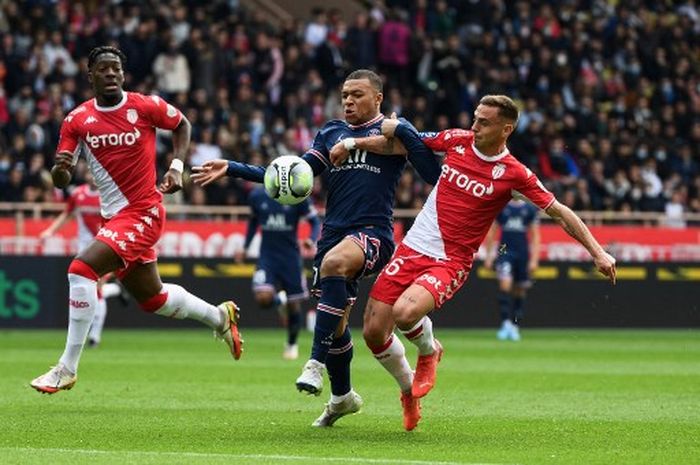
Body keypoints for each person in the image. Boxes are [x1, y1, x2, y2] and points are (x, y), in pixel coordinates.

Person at [332, 95, 616, 431]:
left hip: (450, 260)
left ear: (505, 129)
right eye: (476, 117)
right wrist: (352, 143)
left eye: (484, 122)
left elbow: (559, 212)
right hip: (412, 248)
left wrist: (598, 252)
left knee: (406, 312)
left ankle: (429, 349)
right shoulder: (456, 140)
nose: (475, 125)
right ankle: (409, 391)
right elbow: (399, 145)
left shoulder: (515, 174)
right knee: (373, 332)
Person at [192, 69, 440, 427]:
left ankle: (314, 364)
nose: (349, 101)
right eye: (344, 96)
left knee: (337, 265)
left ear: (378, 98)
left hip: (373, 233)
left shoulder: (390, 132)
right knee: (338, 328)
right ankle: (345, 397)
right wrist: (233, 168)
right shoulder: (330, 132)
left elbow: (432, 172)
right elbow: (293, 175)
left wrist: (400, 130)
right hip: (332, 236)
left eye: (357, 95)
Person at [30, 46, 243, 395]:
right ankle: (220, 317)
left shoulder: (144, 106)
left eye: (116, 68)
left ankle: (66, 368)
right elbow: (60, 177)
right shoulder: (77, 120)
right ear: (91, 76)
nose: (111, 73)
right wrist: (61, 170)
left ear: (123, 74)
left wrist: (176, 167)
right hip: (114, 217)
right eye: (103, 69)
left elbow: (182, 124)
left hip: (143, 211)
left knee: (81, 270)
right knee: (153, 299)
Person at [40, 174, 129, 347]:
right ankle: (115, 290)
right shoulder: (78, 194)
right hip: (84, 250)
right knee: (88, 290)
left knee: (97, 290)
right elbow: (66, 214)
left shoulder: (109, 195)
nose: (93, 176)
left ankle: (95, 336)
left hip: (105, 247)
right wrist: (50, 231)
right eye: (90, 172)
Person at [238, 185, 321, 360]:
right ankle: (281, 299)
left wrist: (311, 239)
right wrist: (245, 247)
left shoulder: (297, 195)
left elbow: (315, 221)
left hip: (290, 257)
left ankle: (291, 344)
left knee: (294, 304)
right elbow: (253, 222)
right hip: (267, 256)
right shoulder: (257, 195)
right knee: (262, 298)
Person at [483, 197, 541, 341]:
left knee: (520, 290)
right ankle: (505, 323)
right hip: (504, 249)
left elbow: (535, 236)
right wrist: (489, 256)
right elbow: (492, 232)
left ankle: (515, 325)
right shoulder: (501, 206)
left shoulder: (529, 209)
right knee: (505, 284)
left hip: (522, 251)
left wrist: (534, 259)